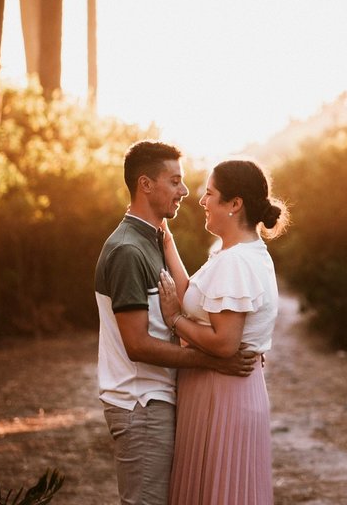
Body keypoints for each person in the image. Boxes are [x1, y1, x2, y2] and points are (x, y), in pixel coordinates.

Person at [96, 140, 258, 505]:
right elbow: (137, 344)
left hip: (155, 402)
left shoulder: (151, 241)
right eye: (174, 181)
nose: (184, 191)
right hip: (140, 404)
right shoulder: (128, 251)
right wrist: (214, 361)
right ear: (145, 184)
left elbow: (185, 306)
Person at [158, 158, 287, 505]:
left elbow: (225, 343)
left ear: (235, 204)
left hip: (223, 395)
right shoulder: (239, 253)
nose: (202, 201)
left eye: (210, 194)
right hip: (226, 391)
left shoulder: (236, 262)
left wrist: (174, 320)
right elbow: (195, 298)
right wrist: (168, 243)